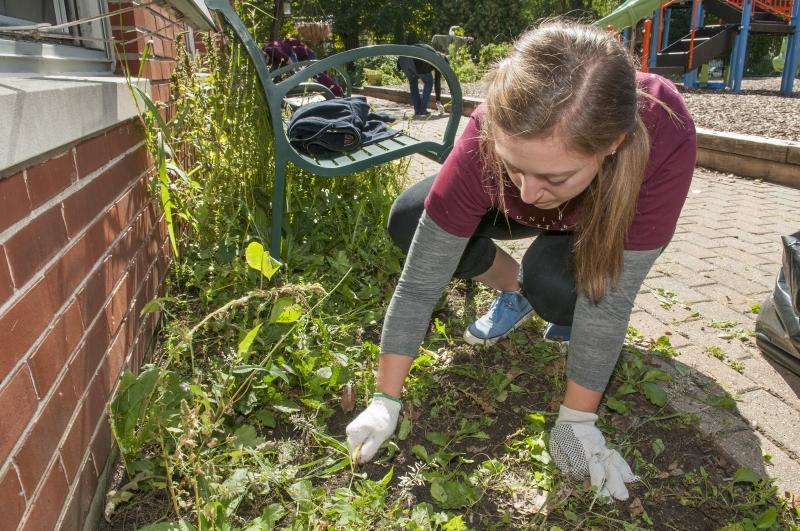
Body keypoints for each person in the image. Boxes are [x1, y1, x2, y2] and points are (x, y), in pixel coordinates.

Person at [346, 20, 697, 501]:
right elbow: (419, 285)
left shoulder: (664, 136)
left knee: (555, 285)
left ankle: (537, 287)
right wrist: (385, 399)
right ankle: (515, 289)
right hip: (512, 207)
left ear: (612, 144)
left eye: (553, 175)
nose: (529, 193)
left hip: (592, 223)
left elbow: (609, 303)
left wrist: (577, 421)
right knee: (411, 217)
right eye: (515, 167)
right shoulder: (486, 138)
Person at [397, 43, 446, 117]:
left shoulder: (432, 51)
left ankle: (417, 110)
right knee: (429, 82)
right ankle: (423, 110)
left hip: (402, 59)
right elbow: (437, 82)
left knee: (413, 83)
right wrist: (438, 101)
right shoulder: (437, 60)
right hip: (414, 60)